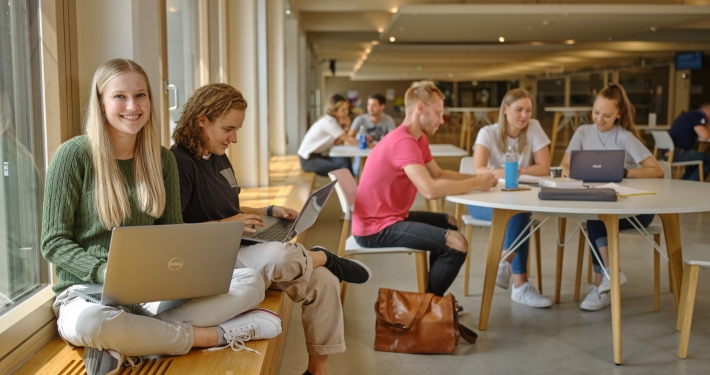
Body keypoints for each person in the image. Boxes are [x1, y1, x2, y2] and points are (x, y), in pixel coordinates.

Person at [41, 59, 277, 375]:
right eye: (119, 96)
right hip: (85, 295)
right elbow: (53, 243)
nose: (132, 106)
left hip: (149, 293)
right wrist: (106, 272)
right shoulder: (74, 156)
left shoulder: (161, 160)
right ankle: (211, 336)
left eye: (141, 95)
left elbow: (173, 234)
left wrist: (185, 272)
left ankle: (135, 338)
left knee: (250, 282)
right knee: (93, 323)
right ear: (101, 103)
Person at [171, 83, 372, 375]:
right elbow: (175, 232)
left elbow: (230, 208)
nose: (234, 138)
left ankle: (317, 370)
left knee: (324, 281)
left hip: (240, 244)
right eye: (229, 129)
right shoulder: (179, 163)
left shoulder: (218, 154)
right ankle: (321, 255)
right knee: (282, 256)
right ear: (202, 119)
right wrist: (230, 224)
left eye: (236, 130)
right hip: (213, 258)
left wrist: (267, 211)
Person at [352, 81, 497, 297]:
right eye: (438, 113)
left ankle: (429, 305)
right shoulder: (403, 142)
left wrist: (479, 178)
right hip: (375, 228)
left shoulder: (418, 139)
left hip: (391, 216)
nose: (441, 120)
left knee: (450, 222)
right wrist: (476, 184)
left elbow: (437, 174)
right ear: (420, 108)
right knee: (457, 242)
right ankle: (429, 307)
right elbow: (429, 189)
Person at [560, 82, 664, 311]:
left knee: (598, 217)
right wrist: (568, 170)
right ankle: (608, 278)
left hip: (635, 210)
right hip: (602, 203)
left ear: (618, 114)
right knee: (598, 215)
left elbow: (657, 171)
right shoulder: (583, 132)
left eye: (606, 115)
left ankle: (604, 284)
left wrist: (626, 172)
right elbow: (564, 164)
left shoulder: (625, 137)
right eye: (596, 113)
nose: (599, 119)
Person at [466, 88, 552, 308]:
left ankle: (505, 263)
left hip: (516, 199)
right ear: (505, 109)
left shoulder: (533, 128)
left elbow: (544, 167)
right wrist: (507, 172)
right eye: (519, 109)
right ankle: (520, 286)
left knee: (519, 209)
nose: (524, 116)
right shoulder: (488, 132)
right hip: (483, 202)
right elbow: (478, 168)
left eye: (528, 110)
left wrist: (518, 172)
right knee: (519, 211)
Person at [298, 94, 359, 176]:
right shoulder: (329, 122)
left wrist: (346, 128)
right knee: (343, 168)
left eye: (347, 109)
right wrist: (370, 145)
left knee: (345, 160)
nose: (346, 112)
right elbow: (348, 139)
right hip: (308, 160)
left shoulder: (332, 121)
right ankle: (351, 188)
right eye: (343, 110)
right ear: (334, 111)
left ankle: (351, 187)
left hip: (317, 156)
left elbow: (337, 142)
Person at [667, 103, 710, 181]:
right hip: (678, 152)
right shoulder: (698, 116)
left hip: (670, 151)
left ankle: (684, 182)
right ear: (707, 110)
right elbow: (704, 135)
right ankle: (691, 184)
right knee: (708, 159)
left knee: (698, 160)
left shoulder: (689, 115)